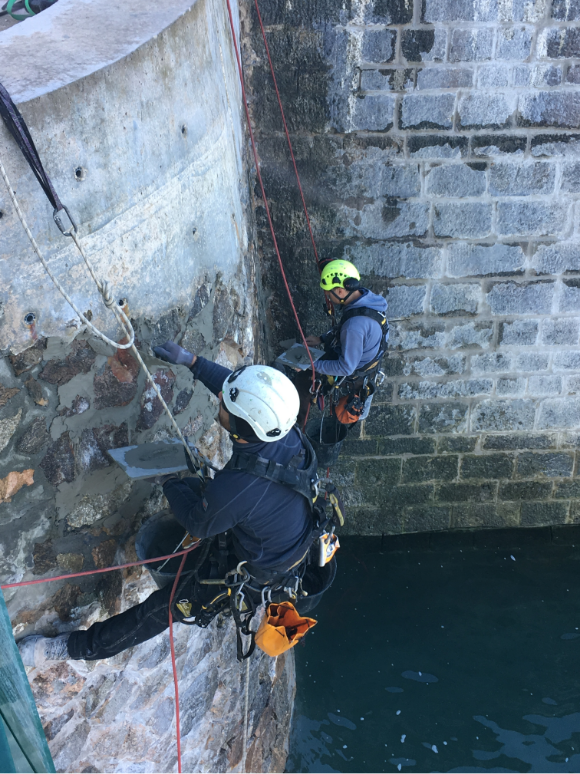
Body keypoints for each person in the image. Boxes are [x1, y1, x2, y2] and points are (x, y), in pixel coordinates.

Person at [18, 347, 338, 668]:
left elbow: (197, 524)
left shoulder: (238, 487)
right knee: (197, 492)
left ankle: (69, 649)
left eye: (225, 403)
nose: (220, 400)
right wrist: (194, 363)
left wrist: (169, 480)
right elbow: (238, 395)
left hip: (261, 571)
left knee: (157, 611)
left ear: (241, 426)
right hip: (286, 537)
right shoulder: (280, 428)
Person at [295, 259, 388, 426]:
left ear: (339, 290)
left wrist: (310, 365)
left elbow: (346, 367)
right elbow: (347, 326)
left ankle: (294, 428)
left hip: (352, 369)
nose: (328, 297)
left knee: (302, 383)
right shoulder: (366, 299)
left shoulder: (354, 326)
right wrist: (322, 338)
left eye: (329, 293)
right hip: (361, 359)